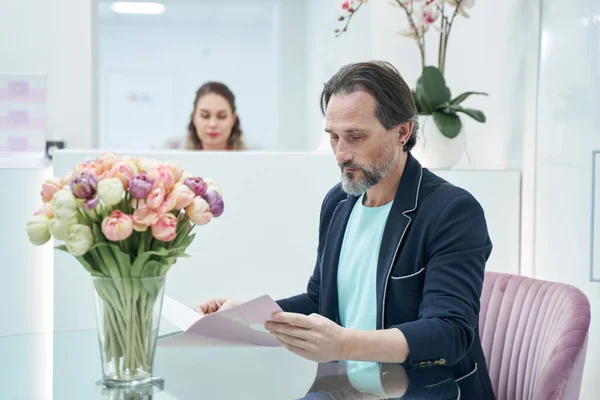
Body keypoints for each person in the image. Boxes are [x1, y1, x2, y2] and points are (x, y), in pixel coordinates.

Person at [195, 61, 495, 399]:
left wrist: (343, 343)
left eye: (356, 136)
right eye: (334, 137)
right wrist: (248, 314)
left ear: (402, 132)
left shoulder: (451, 211)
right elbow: (319, 299)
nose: (341, 153)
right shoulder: (339, 202)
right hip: (346, 388)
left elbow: (449, 333)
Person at [185, 82, 246, 150]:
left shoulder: (255, 157)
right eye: (205, 116)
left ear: (233, 119)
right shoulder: (175, 156)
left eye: (222, 116)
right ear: (194, 117)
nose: (213, 124)